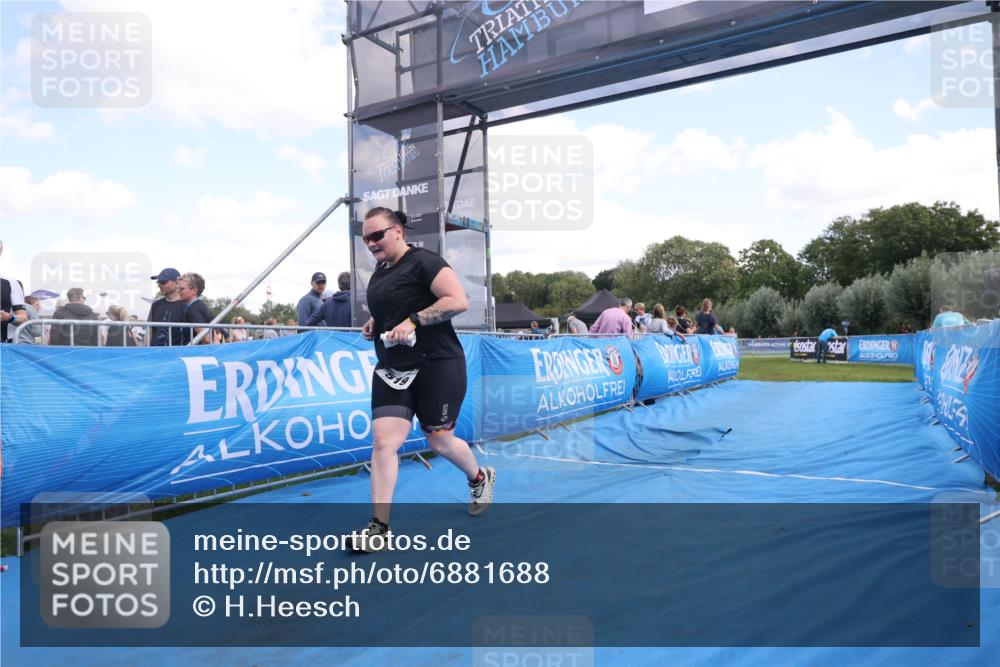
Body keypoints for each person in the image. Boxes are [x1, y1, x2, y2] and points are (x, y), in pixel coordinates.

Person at [355, 207, 495, 553]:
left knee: (439, 440)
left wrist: (413, 321)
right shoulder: (380, 271)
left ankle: (479, 477)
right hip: (393, 367)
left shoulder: (425, 262)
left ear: (398, 231)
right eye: (366, 238)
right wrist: (376, 321)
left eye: (377, 235)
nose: (371, 243)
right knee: (384, 442)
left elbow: (457, 301)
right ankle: (379, 528)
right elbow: (392, 305)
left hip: (437, 364)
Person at [148, 267, 185, 346]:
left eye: (162, 282)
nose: (159, 285)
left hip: (177, 353)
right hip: (155, 352)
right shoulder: (155, 305)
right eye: (158, 282)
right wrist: (145, 350)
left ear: (176, 283)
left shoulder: (187, 306)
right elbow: (149, 331)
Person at [178, 272, 214, 345]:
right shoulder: (200, 306)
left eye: (181, 289)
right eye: (178, 288)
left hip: (198, 351)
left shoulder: (193, 309)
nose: (178, 291)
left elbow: (206, 339)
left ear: (194, 290)